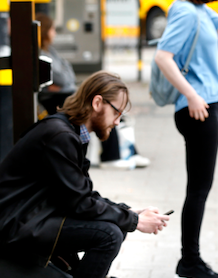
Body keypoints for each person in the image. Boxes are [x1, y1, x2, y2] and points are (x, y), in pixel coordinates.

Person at [0, 71, 171, 278]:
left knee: (111, 226)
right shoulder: (60, 135)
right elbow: (80, 202)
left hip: (32, 218)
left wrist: (126, 211)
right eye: (117, 112)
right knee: (109, 235)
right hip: (11, 226)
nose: (117, 122)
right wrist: (133, 220)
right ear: (97, 102)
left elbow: (81, 194)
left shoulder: (71, 131)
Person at [153, 0, 218, 278]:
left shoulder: (199, 11)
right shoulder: (186, 13)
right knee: (199, 189)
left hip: (204, 105)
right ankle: (189, 262)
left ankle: (189, 259)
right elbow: (163, 56)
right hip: (198, 108)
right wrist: (191, 94)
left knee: (199, 187)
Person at [35, 13, 149, 170]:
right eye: (53, 29)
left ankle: (129, 151)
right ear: (45, 31)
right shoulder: (40, 54)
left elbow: (67, 74)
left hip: (66, 92)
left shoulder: (50, 51)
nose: (55, 33)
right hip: (57, 97)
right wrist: (63, 82)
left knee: (112, 113)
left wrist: (63, 82)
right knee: (105, 111)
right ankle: (111, 156)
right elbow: (61, 77)